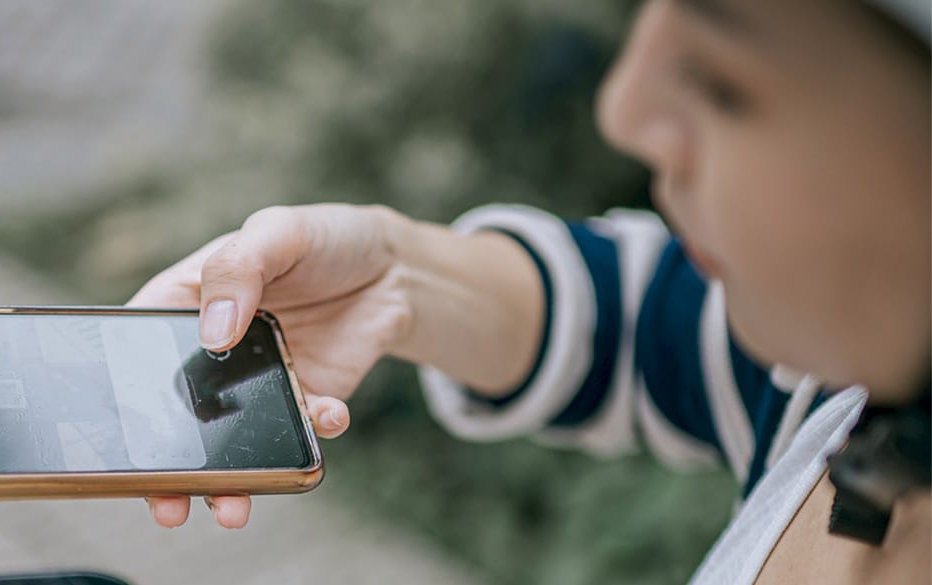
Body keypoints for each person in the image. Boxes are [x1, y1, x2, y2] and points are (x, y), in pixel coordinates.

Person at [128, 1, 930, 583]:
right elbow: (639, 323)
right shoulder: (835, 376)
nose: (623, 110)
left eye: (720, 80)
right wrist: (396, 277)